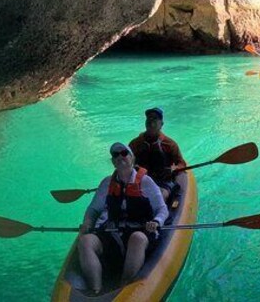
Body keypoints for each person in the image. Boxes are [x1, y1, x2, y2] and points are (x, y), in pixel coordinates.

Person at [77, 143, 168, 295]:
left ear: (132, 158)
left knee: (137, 238)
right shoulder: (107, 183)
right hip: (113, 230)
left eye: (124, 153)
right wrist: (87, 222)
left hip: (142, 229)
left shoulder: (146, 182)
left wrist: (157, 221)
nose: (120, 157)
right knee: (85, 241)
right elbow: (94, 209)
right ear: (113, 161)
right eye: (115, 155)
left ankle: (123, 288)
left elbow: (162, 209)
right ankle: (96, 290)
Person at [128, 108, 186, 201]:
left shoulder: (169, 144)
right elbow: (127, 162)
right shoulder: (135, 144)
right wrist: (134, 167)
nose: (151, 122)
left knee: (160, 196)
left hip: (163, 181)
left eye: (155, 119)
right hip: (140, 180)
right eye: (149, 119)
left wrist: (173, 169)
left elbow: (181, 164)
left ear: (161, 124)